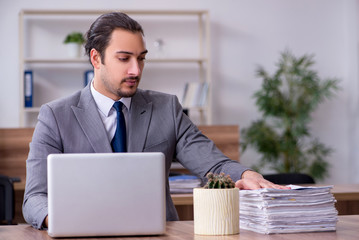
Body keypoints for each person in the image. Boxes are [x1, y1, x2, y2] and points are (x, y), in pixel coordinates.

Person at [22, 12, 288, 230]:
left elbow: (213, 163)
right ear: (96, 58)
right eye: (124, 58)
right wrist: (63, 221)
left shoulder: (166, 108)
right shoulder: (55, 116)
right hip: (84, 235)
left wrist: (247, 174)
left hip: (159, 234)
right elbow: (34, 198)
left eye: (141, 58)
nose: (136, 70)